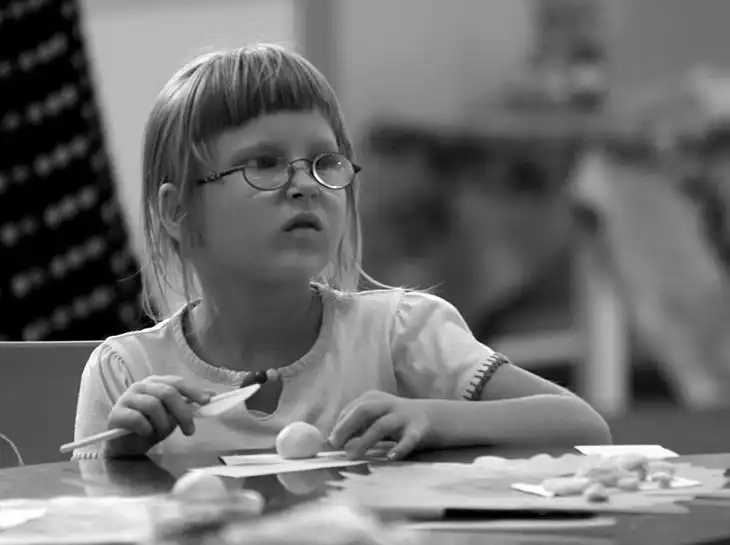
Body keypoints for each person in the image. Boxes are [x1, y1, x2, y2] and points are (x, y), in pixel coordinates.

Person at [72, 44, 611, 461]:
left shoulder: (400, 332)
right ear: (177, 211)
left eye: (324, 162)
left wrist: (435, 417)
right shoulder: (126, 371)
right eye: (264, 164)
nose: (306, 184)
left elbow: (583, 425)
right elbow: (82, 515)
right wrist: (123, 457)